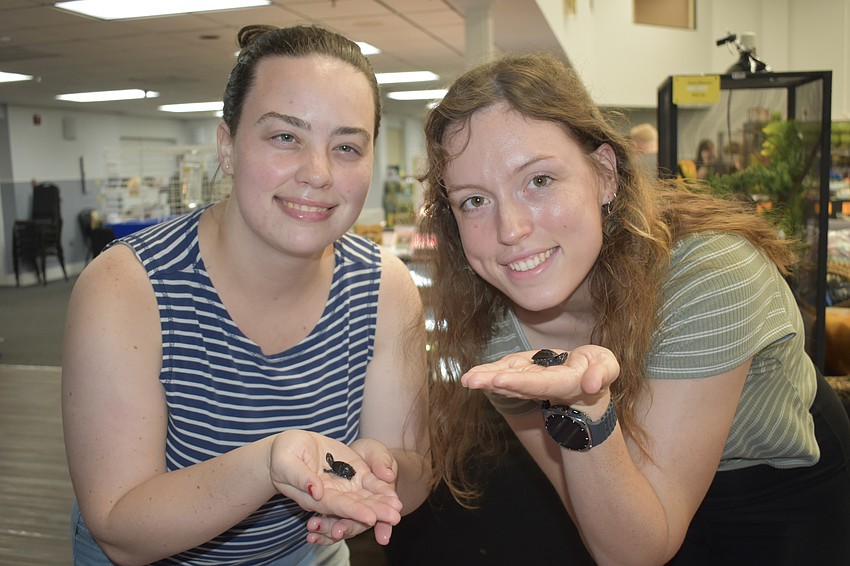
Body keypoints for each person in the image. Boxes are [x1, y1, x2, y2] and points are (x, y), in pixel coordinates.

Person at [419, 52, 850, 564]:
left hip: (778, 496)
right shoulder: (498, 328)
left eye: (538, 181)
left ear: (604, 173)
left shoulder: (711, 275)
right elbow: (618, 539)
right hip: (634, 509)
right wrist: (581, 407)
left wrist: (583, 405)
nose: (509, 230)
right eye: (474, 200)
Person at [62, 24, 430, 565]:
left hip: (305, 554)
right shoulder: (126, 288)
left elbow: (414, 472)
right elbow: (119, 525)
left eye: (347, 146)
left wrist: (385, 470)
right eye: (286, 137)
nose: (318, 173)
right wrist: (267, 466)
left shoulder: (383, 287)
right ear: (227, 147)